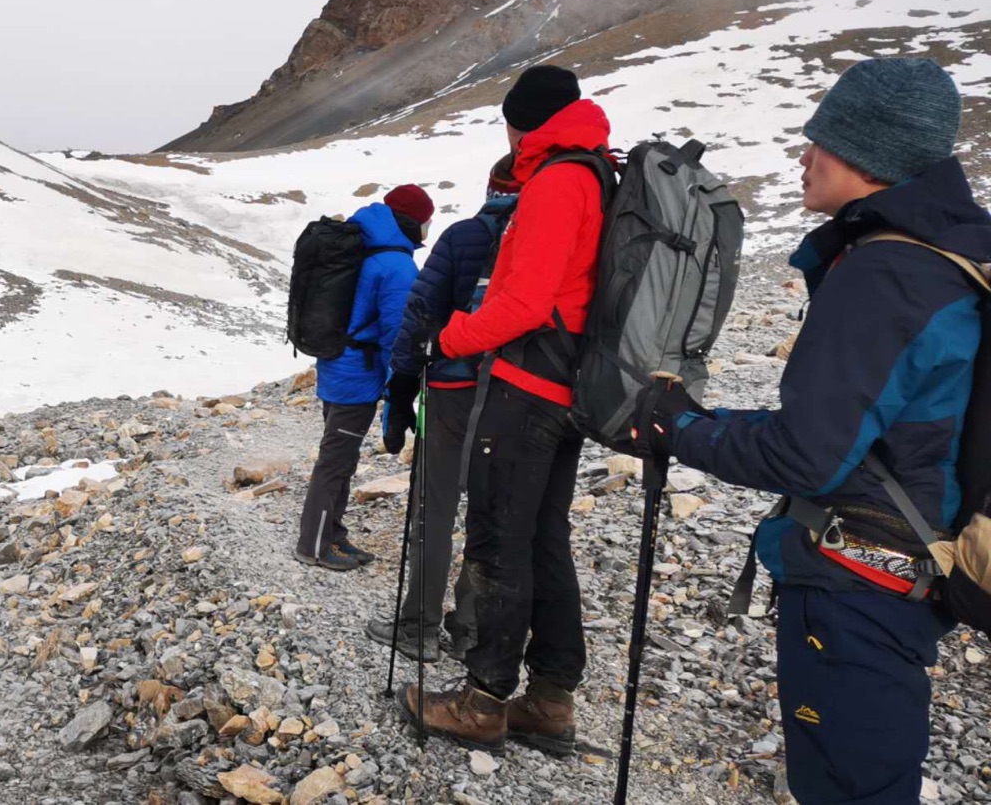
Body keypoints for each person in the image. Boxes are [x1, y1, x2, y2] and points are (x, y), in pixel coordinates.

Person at [636, 58, 985, 803]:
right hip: (911, 572)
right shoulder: (950, 256)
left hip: (859, 589)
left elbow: (807, 453)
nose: (804, 157)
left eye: (819, 141)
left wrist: (678, 429)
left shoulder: (886, 272)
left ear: (869, 152)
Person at [399, 64, 608, 756]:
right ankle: (549, 699)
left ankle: (482, 701)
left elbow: (523, 303)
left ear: (522, 124)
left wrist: (451, 335)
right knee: (544, 540)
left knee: (498, 540)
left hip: (528, 388)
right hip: (569, 389)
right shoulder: (599, 173)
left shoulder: (556, 181)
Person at [366, 156, 519, 661]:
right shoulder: (558, 238)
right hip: (522, 397)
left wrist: (401, 392)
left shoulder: (463, 237)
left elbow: (419, 317)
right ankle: (469, 627)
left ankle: (419, 627)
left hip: (452, 391)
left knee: (433, 511)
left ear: (492, 187)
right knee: (491, 513)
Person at [296, 185, 434, 571]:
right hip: (356, 374)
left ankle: (334, 536)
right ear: (412, 222)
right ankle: (314, 544)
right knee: (335, 460)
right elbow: (397, 335)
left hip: (337, 362)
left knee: (342, 456)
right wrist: (399, 387)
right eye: (425, 223)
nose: (426, 231)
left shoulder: (364, 241)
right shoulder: (396, 265)